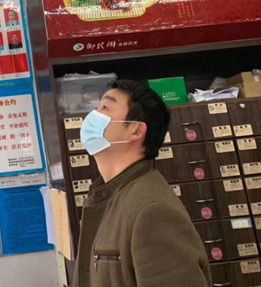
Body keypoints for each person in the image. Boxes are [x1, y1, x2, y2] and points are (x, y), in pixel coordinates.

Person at [73, 80, 211, 287]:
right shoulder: (108, 194)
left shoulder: (152, 211)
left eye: (105, 108)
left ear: (136, 131)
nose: (92, 117)